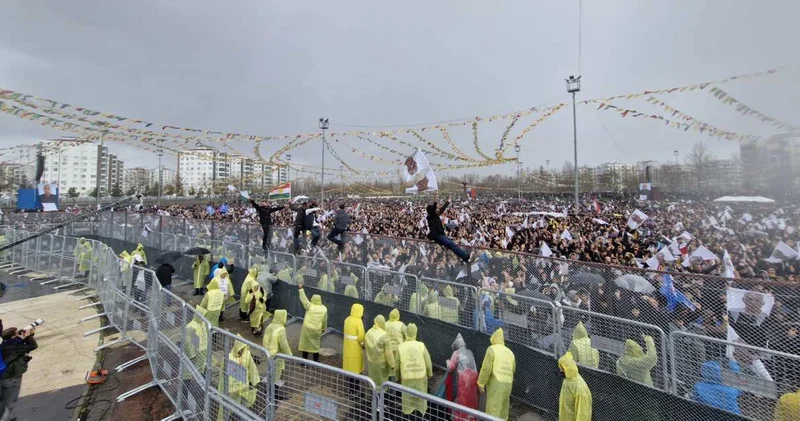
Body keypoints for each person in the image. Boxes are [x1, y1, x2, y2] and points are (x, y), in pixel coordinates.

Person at [0, 325, 38, 421]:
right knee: (10, 403)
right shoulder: (13, 346)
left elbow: (21, 347)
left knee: (3, 402)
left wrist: (24, 336)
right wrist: (29, 336)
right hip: (11, 378)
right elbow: (33, 346)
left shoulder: (4, 345)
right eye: (16, 333)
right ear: (13, 336)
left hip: (4, 377)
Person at [395, 323, 433, 418]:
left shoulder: (400, 347)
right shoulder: (421, 345)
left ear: (406, 332)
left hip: (407, 379)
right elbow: (428, 361)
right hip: (420, 378)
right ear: (416, 332)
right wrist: (429, 373)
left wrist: (398, 377)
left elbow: (396, 366)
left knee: (408, 402)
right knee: (420, 401)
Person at [477, 328, 515, 420]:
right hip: (508, 383)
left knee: (493, 410)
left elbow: (486, 368)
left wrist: (481, 382)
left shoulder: (492, 349)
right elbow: (513, 369)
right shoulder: (510, 352)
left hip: (496, 383)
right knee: (503, 410)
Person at [221, 337, 260, 412]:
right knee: (231, 407)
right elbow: (223, 372)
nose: (241, 351)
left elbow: (252, 368)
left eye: (243, 349)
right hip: (232, 388)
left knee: (243, 407)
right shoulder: (228, 357)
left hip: (244, 387)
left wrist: (255, 381)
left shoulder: (247, 355)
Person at [426, 197, 470, 263]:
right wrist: (435, 203)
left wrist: (448, 202)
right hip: (438, 236)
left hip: (442, 235)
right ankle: (465, 256)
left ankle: (464, 258)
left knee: (452, 246)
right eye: (435, 208)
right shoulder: (430, 217)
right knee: (451, 244)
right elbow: (433, 211)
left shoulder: (435, 215)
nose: (437, 209)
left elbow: (442, 209)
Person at [445, 333, 479, 420]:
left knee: (460, 401)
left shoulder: (456, 353)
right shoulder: (470, 352)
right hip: (472, 381)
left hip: (462, 380)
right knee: (470, 402)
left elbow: (451, 367)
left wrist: (447, 361)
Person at [262, 309, 292, 400]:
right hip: (277, 356)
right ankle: (273, 396)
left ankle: (269, 392)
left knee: (270, 373)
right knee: (275, 376)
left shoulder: (270, 326)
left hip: (268, 354)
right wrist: (289, 355)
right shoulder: (281, 329)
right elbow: (284, 344)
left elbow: (264, 340)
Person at [297, 281, 327, 362]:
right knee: (316, 345)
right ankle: (315, 361)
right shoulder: (324, 309)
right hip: (317, 329)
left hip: (307, 328)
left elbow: (303, 299)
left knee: (305, 344)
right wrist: (323, 328)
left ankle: (304, 362)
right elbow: (324, 320)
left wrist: (300, 288)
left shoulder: (310, 306)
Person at [558, 352, 593, 421]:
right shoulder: (568, 379)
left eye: (562, 368)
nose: (560, 370)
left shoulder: (579, 388)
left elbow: (583, 414)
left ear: (568, 369)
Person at [365, 315, 395, 387]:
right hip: (381, 364)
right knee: (382, 383)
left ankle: (371, 396)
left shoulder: (368, 333)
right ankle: (381, 397)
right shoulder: (384, 335)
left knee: (372, 381)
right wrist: (392, 365)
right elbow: (389, 354)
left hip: (371, 363)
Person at [343, 303, 366, 394]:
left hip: (347, 347)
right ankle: (355, 389)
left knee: (348, 368)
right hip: (355, 349)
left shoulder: (347, 319)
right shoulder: (358, 322)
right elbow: (361, 336)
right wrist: (363, 344)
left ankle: (349, 387)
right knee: (356, 370)